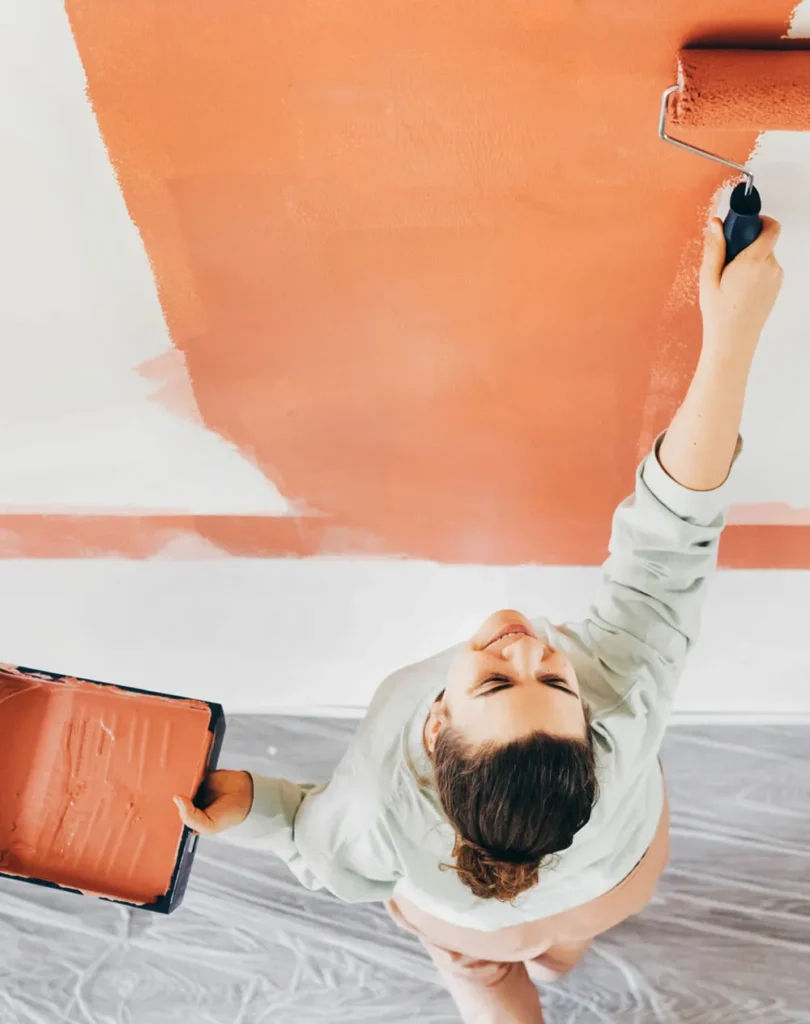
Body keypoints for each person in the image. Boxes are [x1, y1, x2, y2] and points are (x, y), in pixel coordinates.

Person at [174, 214, 783, 1024]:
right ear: (592, 741)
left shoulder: (387, 795)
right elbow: (670, 542)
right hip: (613, 891)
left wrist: (250, 805)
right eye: (555, 678)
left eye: (496, 680)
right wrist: (731, 341)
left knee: (488, 982)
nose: (527, 644)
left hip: (486, 929)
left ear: (434, 732)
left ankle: (526, 966)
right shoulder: (626, 704)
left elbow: (319, 843)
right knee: (561, 938)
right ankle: (563, 957)